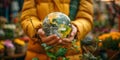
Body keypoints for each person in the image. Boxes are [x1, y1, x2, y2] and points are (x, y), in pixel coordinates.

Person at [20, 0, 93, 60]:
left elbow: (86, 18)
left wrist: (76, 28)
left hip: (70, 52)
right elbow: (27, 17)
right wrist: (37, 29)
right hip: (38, 52)